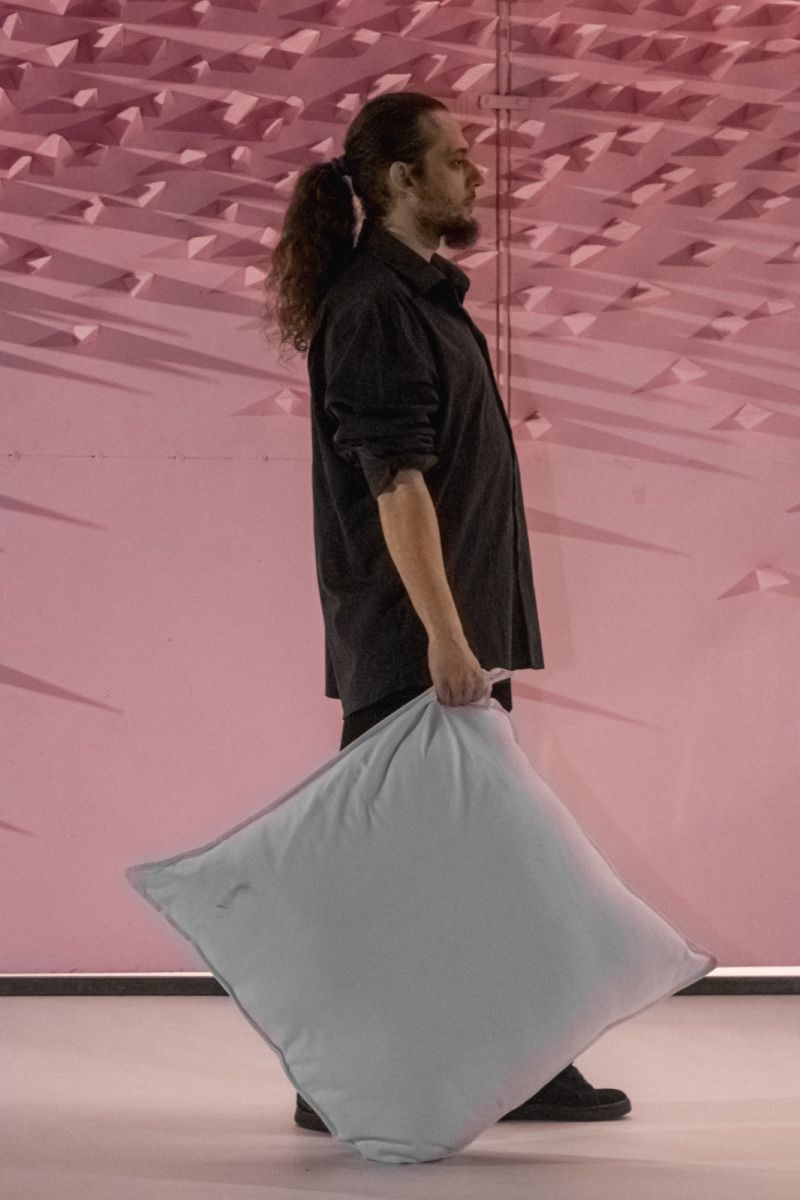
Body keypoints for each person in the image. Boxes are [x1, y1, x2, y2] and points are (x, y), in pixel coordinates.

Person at [261, 91, 631, 1130]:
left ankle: (505, 1064)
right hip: (417, 646)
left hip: (442, 640)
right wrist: (446, 640)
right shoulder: (376, 307)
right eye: (455, 158)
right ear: (400, 180)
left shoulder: (417, 297)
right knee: (417, 868)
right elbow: (396, 485)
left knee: (477, 863)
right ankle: (343, 1081)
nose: (474, 173)